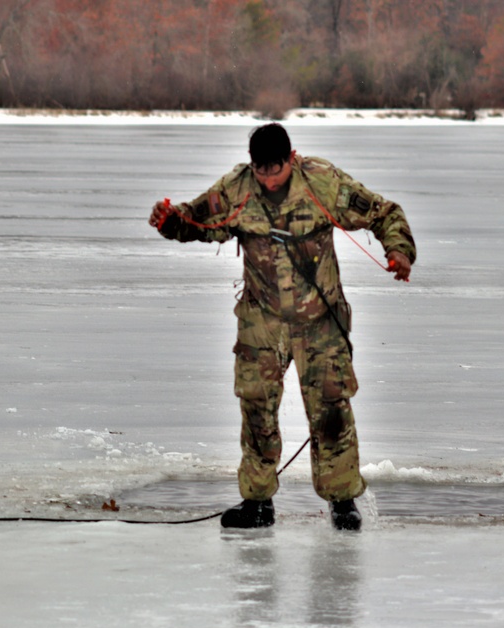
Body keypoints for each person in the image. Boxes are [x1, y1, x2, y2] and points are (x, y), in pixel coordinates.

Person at [147, 123, 416, 531]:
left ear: (292, 158)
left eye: (277, 170)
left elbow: (383, 212)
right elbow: (198, 222)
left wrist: (398, 251)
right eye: (262, 171)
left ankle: (342, 500)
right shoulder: (236, 189)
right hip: (262, 321)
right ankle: (257, 503)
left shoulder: (322, 182)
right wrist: (168, 221)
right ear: (252, 166)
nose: (270, 179)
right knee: (256, 409)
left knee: (331, 412)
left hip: (320, 322)